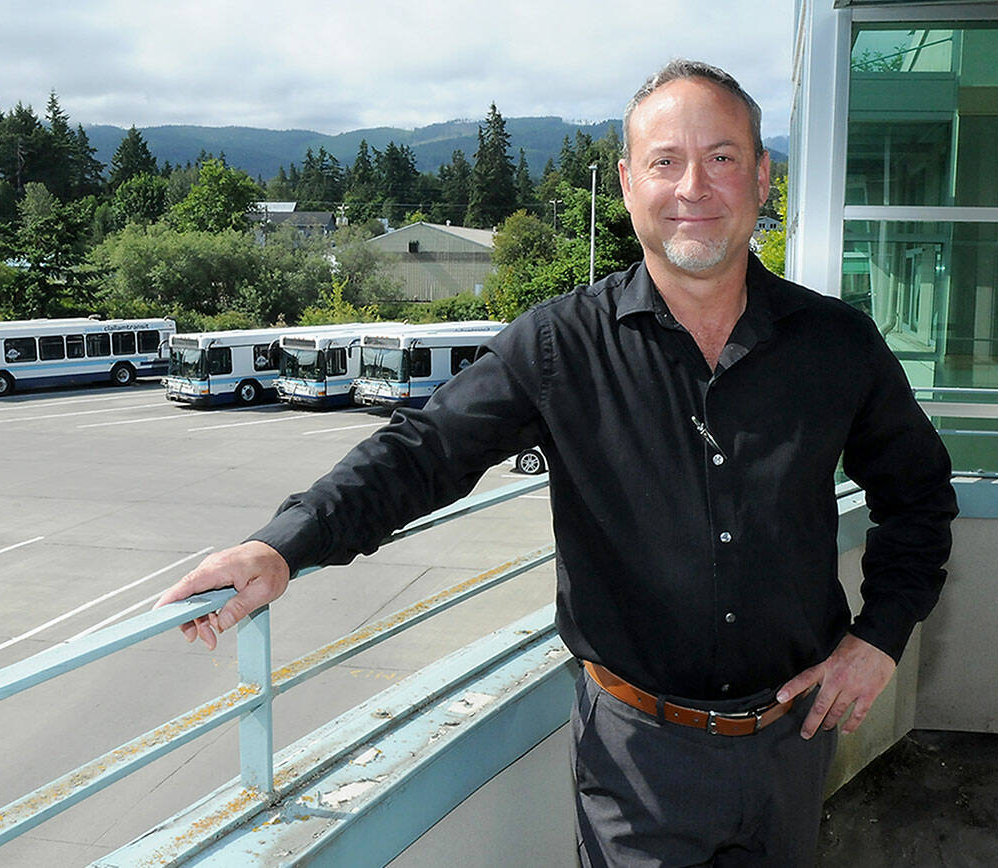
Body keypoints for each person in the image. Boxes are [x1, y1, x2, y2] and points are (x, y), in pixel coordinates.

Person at [155, 59, 957, 866]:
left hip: (792, 746)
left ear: (761, 176)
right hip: (636, 764)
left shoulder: (836, 344)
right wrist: (284, 544)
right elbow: (424, 451)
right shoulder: (557, 345)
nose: (693, 187)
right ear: (627, 183)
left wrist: (880, 638)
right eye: (665, 161)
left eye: (721, 157)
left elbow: (919, 497)